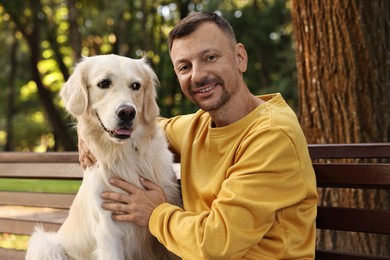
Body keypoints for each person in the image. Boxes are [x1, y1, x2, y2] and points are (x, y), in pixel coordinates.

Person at [79, 11, 318, 259]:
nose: (198, 74)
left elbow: (216, 244)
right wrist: (93, 128)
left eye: (210, 57)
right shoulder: (199, 126)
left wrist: (155, 212)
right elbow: (146, 125)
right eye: (184, 66)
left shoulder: (271, 136)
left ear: (240, 58)